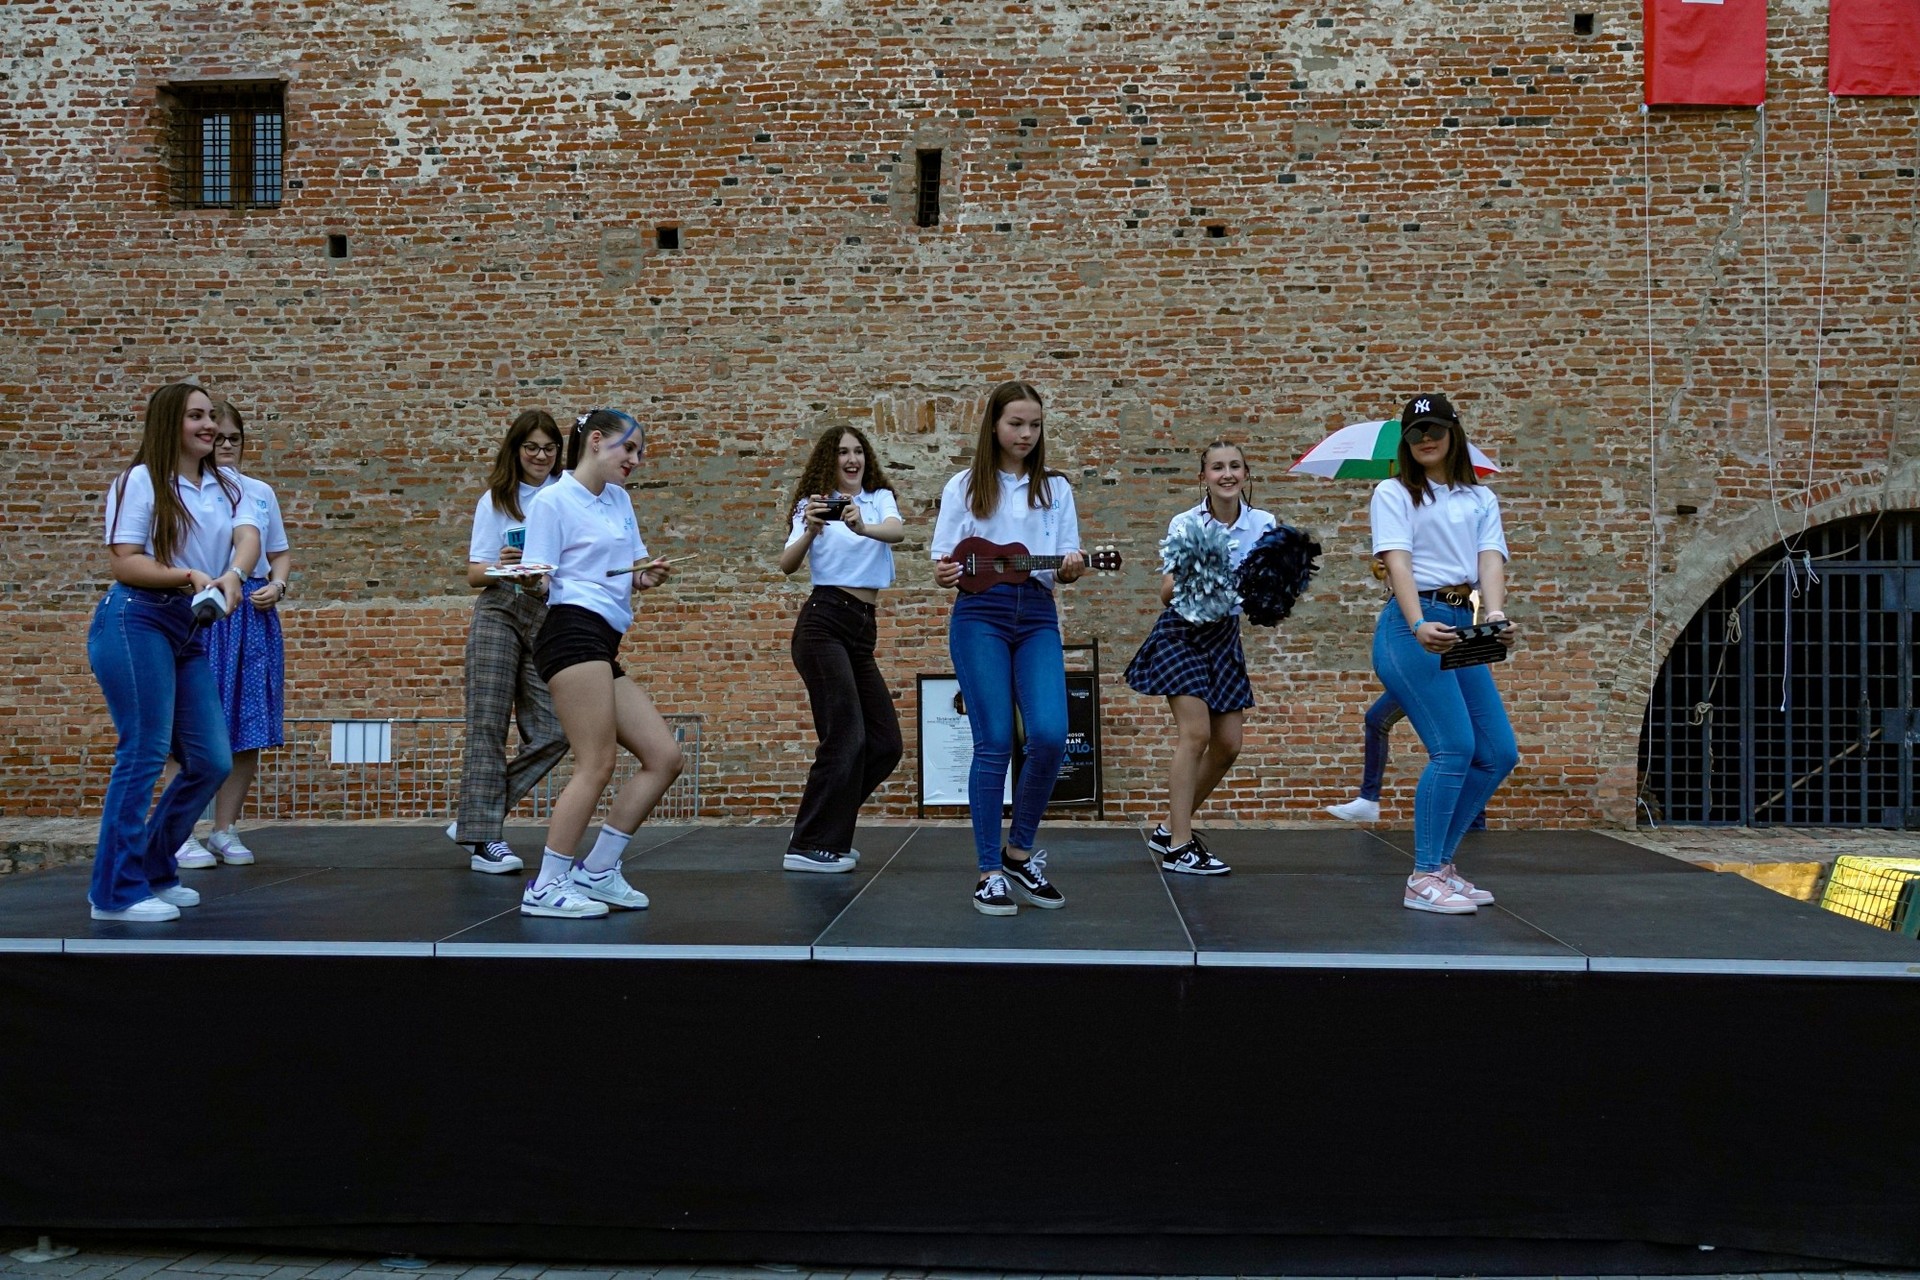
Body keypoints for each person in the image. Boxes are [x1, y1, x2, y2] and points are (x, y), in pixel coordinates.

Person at [89, 384, 261, 921]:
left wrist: (235, 575)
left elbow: (249, 538)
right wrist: (188, 575)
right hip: (136, 618)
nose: (209, 426)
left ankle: (153, 871)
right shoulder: (141, 481)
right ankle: (114, 894)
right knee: (143, 753)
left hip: (188, 628)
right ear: (170, 423)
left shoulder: (228, 484)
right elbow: (125, 560)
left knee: (210, 760)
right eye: (196, 416)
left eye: (211, 416)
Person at [517, 409, 683, 919]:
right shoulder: (553, 501)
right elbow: (541, 580)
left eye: (639, 452)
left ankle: (598, 871)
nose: (635, 460)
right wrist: (529, 577)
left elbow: (631, 569)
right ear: (595, 442)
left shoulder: (618, 499)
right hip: (571, 631)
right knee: (597, 762)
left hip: (603, 640)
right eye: (628, 448)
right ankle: (546, 884)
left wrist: (645, 576)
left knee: (665, 757)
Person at [930, 380, 1085, 916]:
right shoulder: (964, 486)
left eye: (1035, 425)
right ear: (994, 425)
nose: (1026, 434)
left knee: (1051, 735)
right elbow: (944, 563)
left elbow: (1066, 561)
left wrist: (1073, 567)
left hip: (1037, 614)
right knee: (994, 739)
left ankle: (1018, 853)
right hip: (980, 616)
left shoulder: (1055, 489)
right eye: (1016, 423)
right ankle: (988, 872)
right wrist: (945, 573)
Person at [1370, 393, 1518, 914]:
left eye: (1434, 429)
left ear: (1454, 433)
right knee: (1454, 748)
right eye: (1415, 433)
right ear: (1406, 443)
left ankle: (1442, 866)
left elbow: (1490, 559)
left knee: (1498, 753)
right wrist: (1416, 623)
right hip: (1411, 627)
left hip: (1461, 622)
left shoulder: (1480, 498)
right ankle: (1423, 876)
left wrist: (1494, 615)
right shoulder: (1393, 492)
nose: (1425, 439)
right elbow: (1398, 563)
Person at [1126, 441, 1277, 875]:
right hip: (1183, 632)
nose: (1227, 474)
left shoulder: (1264, 524)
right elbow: (1166, 592)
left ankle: (1167, 829)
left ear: (1246, 474)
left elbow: (1267, 592)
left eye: (1235, 466)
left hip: (1224, 636)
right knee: (1195, 735)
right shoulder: (1185, 523)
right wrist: (1202, 571)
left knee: (1228, 745)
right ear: (1203, 477)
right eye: (1217, 467)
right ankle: (1179, 845)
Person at [444, 410, 569, 874]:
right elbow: (474, 574)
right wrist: (504, 564)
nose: (540, 455)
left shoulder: (567, 494)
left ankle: (475, 816)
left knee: (557, 730)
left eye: (549, 448)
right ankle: (484, 840)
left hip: (548, 613)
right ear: (516, 450)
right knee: (488, 724)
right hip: (501, 607)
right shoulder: (497, 499)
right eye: (531, 447)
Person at [776, 425, 905, 873]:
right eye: (842, 453)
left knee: (885, 744)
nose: (852, 460)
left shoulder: (878, 498)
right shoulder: (810, 505)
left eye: (858, 451)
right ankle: (808, 844)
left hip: (862, 629)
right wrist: (810, 530)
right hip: (824, 623)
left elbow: (896, 532)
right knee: (845, 737)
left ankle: (825, 831)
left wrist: (861, 525)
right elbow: (787, 565)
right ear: (829, 461)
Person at [173, 399, 292, 869]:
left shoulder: (257, 491)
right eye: (217, 437)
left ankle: (225, 828)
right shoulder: (184, 487)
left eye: (233, 438)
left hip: (249, 613)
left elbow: (278, 551)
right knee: (185, 724)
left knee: (247, 725)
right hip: (199, 607)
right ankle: (179, 831)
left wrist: (277, 586)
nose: (225, 446)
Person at [1326, 689, 1487, 831]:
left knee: (1458, 745)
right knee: (1376, 719)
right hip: (1428, 674)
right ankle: (1368, 798)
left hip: (1439, 675)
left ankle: (1474, 826)